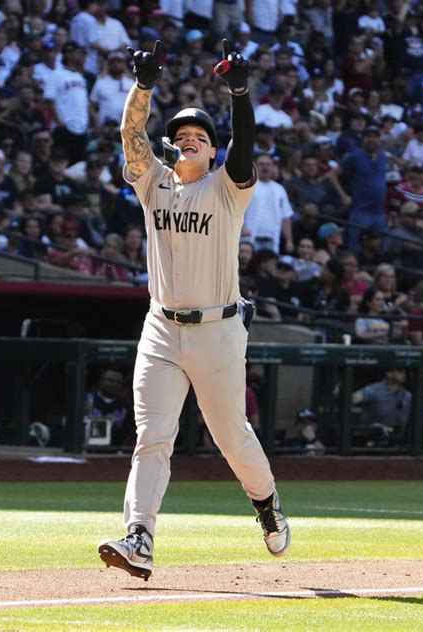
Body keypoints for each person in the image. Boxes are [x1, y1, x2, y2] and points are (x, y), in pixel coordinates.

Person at [98, 38, 291, 582]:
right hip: (161, 327)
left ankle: (267, 503)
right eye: (181, 135)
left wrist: (239, 92)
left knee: (231, 434)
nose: (189, 141)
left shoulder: (227, 189)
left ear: (212, 151)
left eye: (199, 137)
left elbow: (247, 145)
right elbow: (131, 139)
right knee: (152, 435)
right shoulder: (154, 184)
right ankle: (140, 537)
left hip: (218, 329)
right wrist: (143, 86)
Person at [352, 368, 412, 446]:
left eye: (405, 371)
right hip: (367, 439)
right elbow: (355, 398)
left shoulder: (408, 396)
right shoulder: (374, 390)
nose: (404, 373)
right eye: (400, 370)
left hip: (395, 439)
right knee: (378, 429)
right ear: (389, 373)